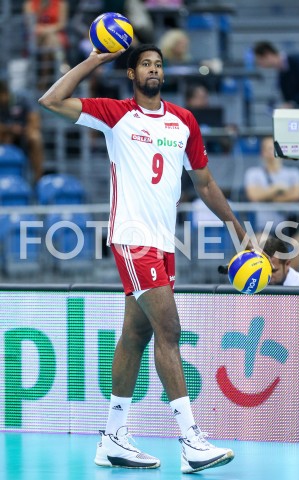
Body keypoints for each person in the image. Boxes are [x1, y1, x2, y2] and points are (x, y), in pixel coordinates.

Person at [38, 43, 252, 473]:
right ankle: (191, 441)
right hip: (132, 238)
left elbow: (206, 185)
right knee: (169, 330)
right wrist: (95, 61)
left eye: (159, 64)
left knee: (136, 336)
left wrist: (237, 229)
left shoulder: (183, 120)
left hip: (163, 241)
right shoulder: (116, 115)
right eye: (146, 65)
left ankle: (113, 438)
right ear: (132, 74)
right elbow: (51, 100)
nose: (154, 69)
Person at [253, 40, 299, 201]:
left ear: (267, 54)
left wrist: (291, 103)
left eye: (259, 61)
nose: (260, 65)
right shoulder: (283, 74)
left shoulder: (297, 61)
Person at [244, 136, 299, 271]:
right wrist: (278, 189)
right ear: (262, 152)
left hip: (290, 230)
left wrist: (267, 197)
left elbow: (297, 195)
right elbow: (253, 195)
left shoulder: (294, 173)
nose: (273, 152)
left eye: (275, 148)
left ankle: (286, 275)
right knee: (259, 240)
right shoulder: (253, 173)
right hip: (266, 230)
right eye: (269, 149)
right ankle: (269, 277)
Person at [0, 80, 44, 181]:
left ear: (4, 93)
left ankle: (38, 179)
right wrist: (10, 129)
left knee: (35, 137)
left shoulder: (22, 98)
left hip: (24, 134)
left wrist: (26, 130)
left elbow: (35, 120)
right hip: (6, 135)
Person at [24, 0, 69, 89]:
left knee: (50, 40)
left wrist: (47, 30)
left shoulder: (61, 3)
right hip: (37, 37)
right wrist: (41, 9)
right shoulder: (29, 4)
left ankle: (44, 81)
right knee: (51, 39)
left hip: (55, 35)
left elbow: (61, 24)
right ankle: (62, 64)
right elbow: (30, 25)